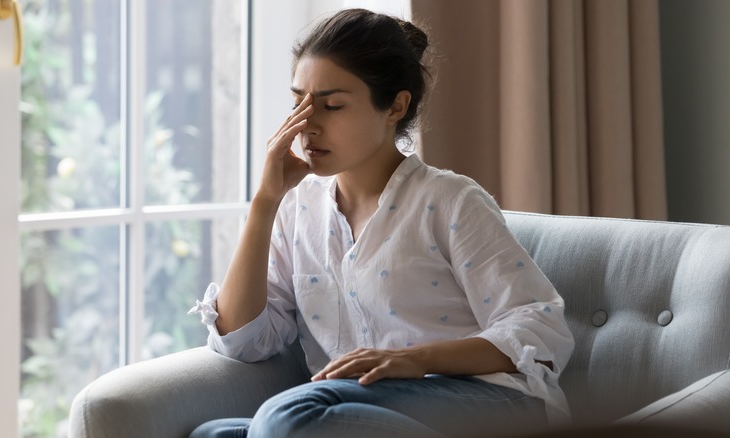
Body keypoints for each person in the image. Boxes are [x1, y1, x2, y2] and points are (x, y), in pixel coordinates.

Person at [189, 8, 574, 438]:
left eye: (331, 105)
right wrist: (265, 201)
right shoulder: (297, 210)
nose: (306, 125)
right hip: (363, 410)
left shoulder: (449, 200)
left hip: (486, 402)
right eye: (298, 103)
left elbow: (540, 328)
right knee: (213, 435)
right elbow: (241, 340)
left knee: (289, 419)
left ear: (395, 106)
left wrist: (418, 360)